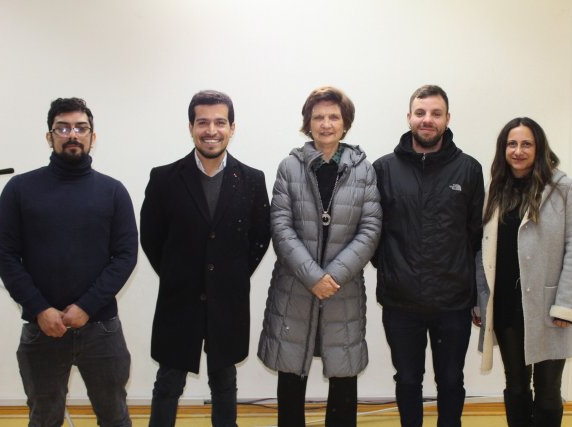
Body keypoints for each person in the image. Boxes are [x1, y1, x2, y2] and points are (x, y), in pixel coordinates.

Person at [0, 97, 138, 426]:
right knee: (44, 419)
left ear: (92, 137)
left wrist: (86, 306)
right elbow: (5, 255)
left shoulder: (113, 191)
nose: (72, 134)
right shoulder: (19, 189)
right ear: (49, 136)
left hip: (101, 328)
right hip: (41, 327)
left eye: (80, 128)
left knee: (115, 417)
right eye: (63, 128)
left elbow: (125, 255)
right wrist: (39, 309)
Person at [140, 90, 271, 427]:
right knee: (168, 382)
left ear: (232, 128)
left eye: (220, 122)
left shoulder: (252, 179)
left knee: (225, 382)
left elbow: (260, 236)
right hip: (178, 299)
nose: (211, 130)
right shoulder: (164, 178)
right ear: (191, 127)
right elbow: (151, 238)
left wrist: (231, 274)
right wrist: (177, 273)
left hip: (227, 300)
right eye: (203, 122)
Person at [257, 86, 381, 427]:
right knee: (291, 372)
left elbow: (370, 229)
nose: (326, 124)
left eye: (333, 117)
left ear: (345, 123)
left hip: (343, 290)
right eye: (318, 117)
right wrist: (313, 277)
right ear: (308, 123)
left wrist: (333, 276)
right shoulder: (289, 167)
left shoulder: (364, 170)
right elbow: (280, 228)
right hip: (295, 288)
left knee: (343, 374)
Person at [372, 85, 484, 427]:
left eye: (436, 114)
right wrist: (391, 268)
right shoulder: (383, 169)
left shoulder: (469, 169)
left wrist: (472, 290)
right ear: (409, 117)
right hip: (400, 301)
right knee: (407, 380)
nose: (427, 120)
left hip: (453, 301)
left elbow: (476, 235)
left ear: (447, 118)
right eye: (420, 113)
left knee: (451, 380)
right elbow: (374, 232)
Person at [474, 117, 572, 427]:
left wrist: (567, 305)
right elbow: (482, 250)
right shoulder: (495, 190)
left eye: (527, 144)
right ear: (503, 149)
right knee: (516, 386)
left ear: (539, 149)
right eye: (512, 144)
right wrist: (481, 301)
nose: (518, 151)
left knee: (548, 391)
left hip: (549, 308)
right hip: (507, 307)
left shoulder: (564, 189)